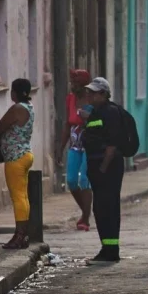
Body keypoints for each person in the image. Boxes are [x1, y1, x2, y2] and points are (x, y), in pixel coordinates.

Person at [83, 77, 126, 264]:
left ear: (103, 94)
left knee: (107, 208)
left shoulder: (110, 112)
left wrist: (103, 168)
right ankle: (107, 248)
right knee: (101, 209)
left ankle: (110, 251)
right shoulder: (96, 112)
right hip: (98, 167)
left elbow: (112, 145)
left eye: (93, 92)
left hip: (108, 168)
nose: (89, 95)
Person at [0, 79, 36, 249]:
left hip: (15, 157)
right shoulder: (29, 107)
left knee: (18, 197)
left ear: (15, 92)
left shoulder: (17, 108)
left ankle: (20, 235)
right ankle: (23, 235)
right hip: (25, 154)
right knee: (23, 197)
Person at [57, 69, 93, 232]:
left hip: (90, 145)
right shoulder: (70, 99)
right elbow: (67, 124)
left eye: (76, 83)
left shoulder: (92, 99)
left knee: (84, 179)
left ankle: (85, 217)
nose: (73, 86)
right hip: (75, 145)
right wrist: (60, 148)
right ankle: (85, 211)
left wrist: (88, 118)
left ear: (85, 85)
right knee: (71, 180)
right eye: (72, 82)